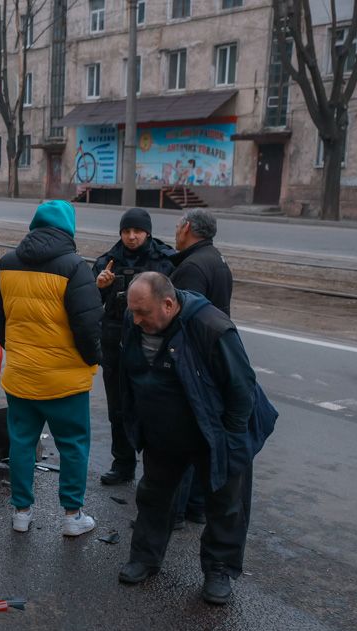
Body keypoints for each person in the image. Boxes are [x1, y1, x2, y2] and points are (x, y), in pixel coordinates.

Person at [117, 273, 276, 604]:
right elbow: (128, 374)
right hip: (164, 429)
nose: (136, 320)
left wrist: (231, 443)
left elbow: (241, 391)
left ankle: (219, 569)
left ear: (169, 304)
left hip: (214, 431)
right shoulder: (135, 319)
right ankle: (145, 558)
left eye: (143, 312)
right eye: (133, 311)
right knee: (153, 495)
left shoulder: (212, 327)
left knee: (225, 504)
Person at [0, 200, 102, 537]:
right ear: (68, 229)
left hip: (21, 376)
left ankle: (21, 512)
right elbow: (89, 326)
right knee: (74, 445)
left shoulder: (7, 263)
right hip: (65, 380)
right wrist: (92, 359)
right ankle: (71, 515)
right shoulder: (76, 267)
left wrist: (17, 346)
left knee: (21, 443)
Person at [92, 208, 176, 486]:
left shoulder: (164, 260)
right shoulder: (109, 262)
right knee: (118, 406)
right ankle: (123, 463)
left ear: (147, 232)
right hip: (115, 342)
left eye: (136, 231)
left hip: (152, 342)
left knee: (154, 406)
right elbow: (90, 303)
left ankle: (155, 470)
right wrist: (100, 286)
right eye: (126, 231)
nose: (131, 236)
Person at [169, 208, 234, 525]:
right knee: (200, 436)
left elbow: (185, 321)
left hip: (194, 362)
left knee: (181, 439)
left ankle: (177, 512)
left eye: (178, 225)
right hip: (211, 358)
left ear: (188, 228)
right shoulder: (216, 258)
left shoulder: (192, 267)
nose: (176, 231)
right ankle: (195, 506)